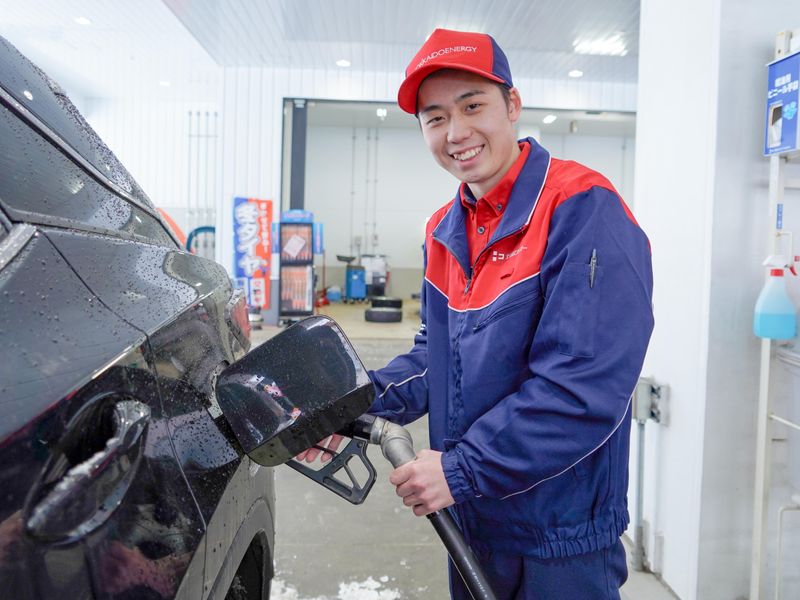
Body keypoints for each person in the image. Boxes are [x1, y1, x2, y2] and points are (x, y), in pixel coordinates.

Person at [304, 28, 654, 599]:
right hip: (474, 518)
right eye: (436, 118)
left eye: (472, 106)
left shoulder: (582, 208)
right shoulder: (444, 229)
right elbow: (435, 361)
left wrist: (461, 469)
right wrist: (340, 407)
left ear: (512, 105)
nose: (456, 133)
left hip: (559, 534)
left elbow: (583, 385)